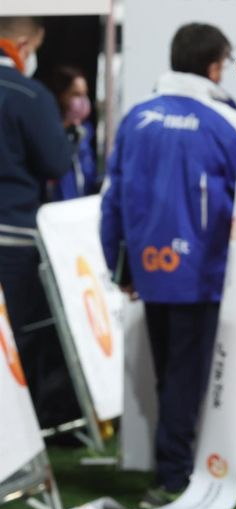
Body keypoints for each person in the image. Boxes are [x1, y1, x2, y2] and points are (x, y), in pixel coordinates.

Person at [100, 23, 236, 508]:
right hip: (202, 273)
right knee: (186, 376)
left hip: (147, 267)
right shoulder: (225, 123)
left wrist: (118, 267)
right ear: (214, 65)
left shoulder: (136, 118)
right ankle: (173, 475)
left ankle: (170, 467)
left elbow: (111, 200)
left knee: (169, 373)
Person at [0, 17, 77, 430]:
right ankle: (15, 440)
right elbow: (56, 163)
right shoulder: (28, 94)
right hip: (11, 238)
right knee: (16, 343)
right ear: (25, 45)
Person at [39, 66, 99, 200]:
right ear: (61, 95)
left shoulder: (85, 131)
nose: (83, 101)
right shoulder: (47, 131)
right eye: (76, 94)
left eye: (85, 94)